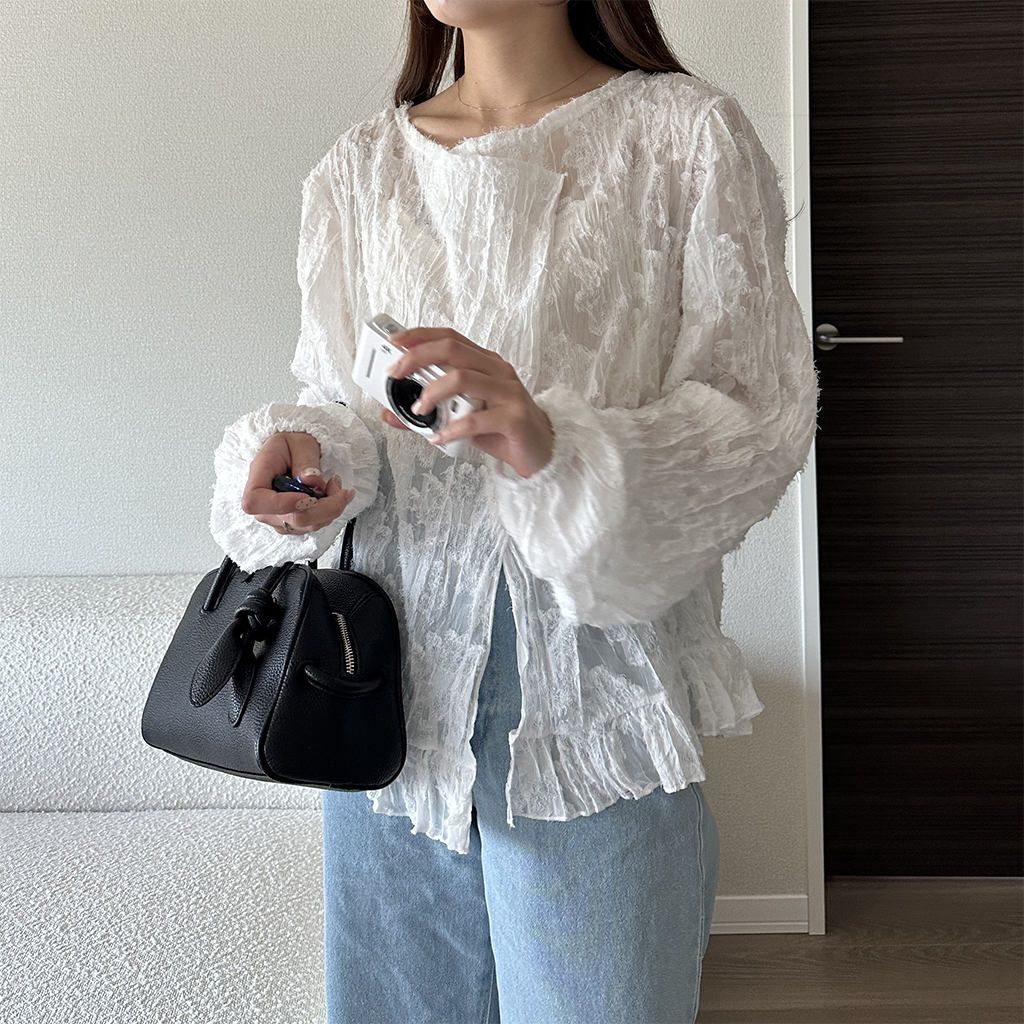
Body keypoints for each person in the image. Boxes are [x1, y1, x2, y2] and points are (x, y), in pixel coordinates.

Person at [209, 1, 819, 1021]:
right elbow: (340, 392)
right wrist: (309, 454)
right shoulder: (362, 167)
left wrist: (555, 447)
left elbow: (755, 412)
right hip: (378, 700)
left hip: (587, 703)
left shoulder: (684, 137)